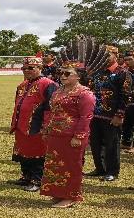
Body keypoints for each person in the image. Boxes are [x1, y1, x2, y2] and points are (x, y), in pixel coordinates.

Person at [40, 59, 95, 208]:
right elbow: (51, 112)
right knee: (55, 164)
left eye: (67, 73)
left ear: (78, 76)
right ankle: (58, 193)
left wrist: (78, 136)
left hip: (72, 136)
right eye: (61, 73)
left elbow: (86, 117)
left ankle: (70, 196)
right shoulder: (59, 91)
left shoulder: (85, 94)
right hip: (55, 134)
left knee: (72, 166)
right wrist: (46, 128)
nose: (62, 76)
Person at [9, 57, 57, 191]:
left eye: (31, 68)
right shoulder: (22, 85)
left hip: (37, 125)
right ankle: (26, 176)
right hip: (21, 124)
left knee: (37, 153)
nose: (26, 71)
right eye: (24, 68)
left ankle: (37, 179)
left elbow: (50, 107)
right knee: (23, 151)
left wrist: (46, 125)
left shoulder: (48, 84)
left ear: (40, 68)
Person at [86, 45, 132, 181]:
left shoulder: (123, 73)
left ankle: (112, 171)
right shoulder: (97, 72)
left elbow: (126, 96)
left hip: (112, 116)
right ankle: (100, 169)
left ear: (115, 55)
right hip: (95, 114)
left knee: (112, 144)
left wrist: (119, 115)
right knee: (95, 143)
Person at [119, 51, 134, 153]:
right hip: (128, 100)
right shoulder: (125, 71)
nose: (127, 61)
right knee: (127, 122)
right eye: (126, 60)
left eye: (130, 59)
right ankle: (126, 143)